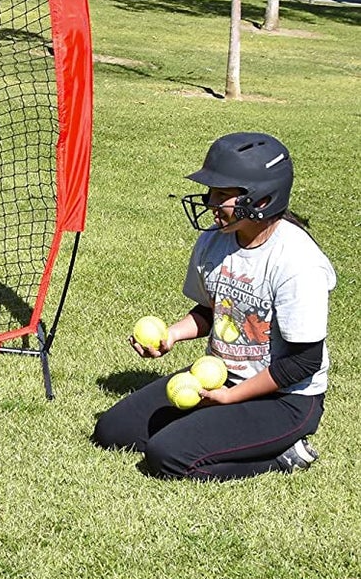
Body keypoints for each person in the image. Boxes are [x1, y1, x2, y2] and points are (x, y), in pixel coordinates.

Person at [93, 132, 334, 480]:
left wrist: (232, 398)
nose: (209, 203)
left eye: (222, 195)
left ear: (262, 200)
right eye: (211, 192)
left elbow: (303, 361)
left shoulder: (297, 262)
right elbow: (213, 310)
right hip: (221, 376)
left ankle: (284, 455)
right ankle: (215, 424)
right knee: (112, 432)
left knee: (168, 457)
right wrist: (172, 336)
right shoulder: (214, 239)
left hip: (284, 399)